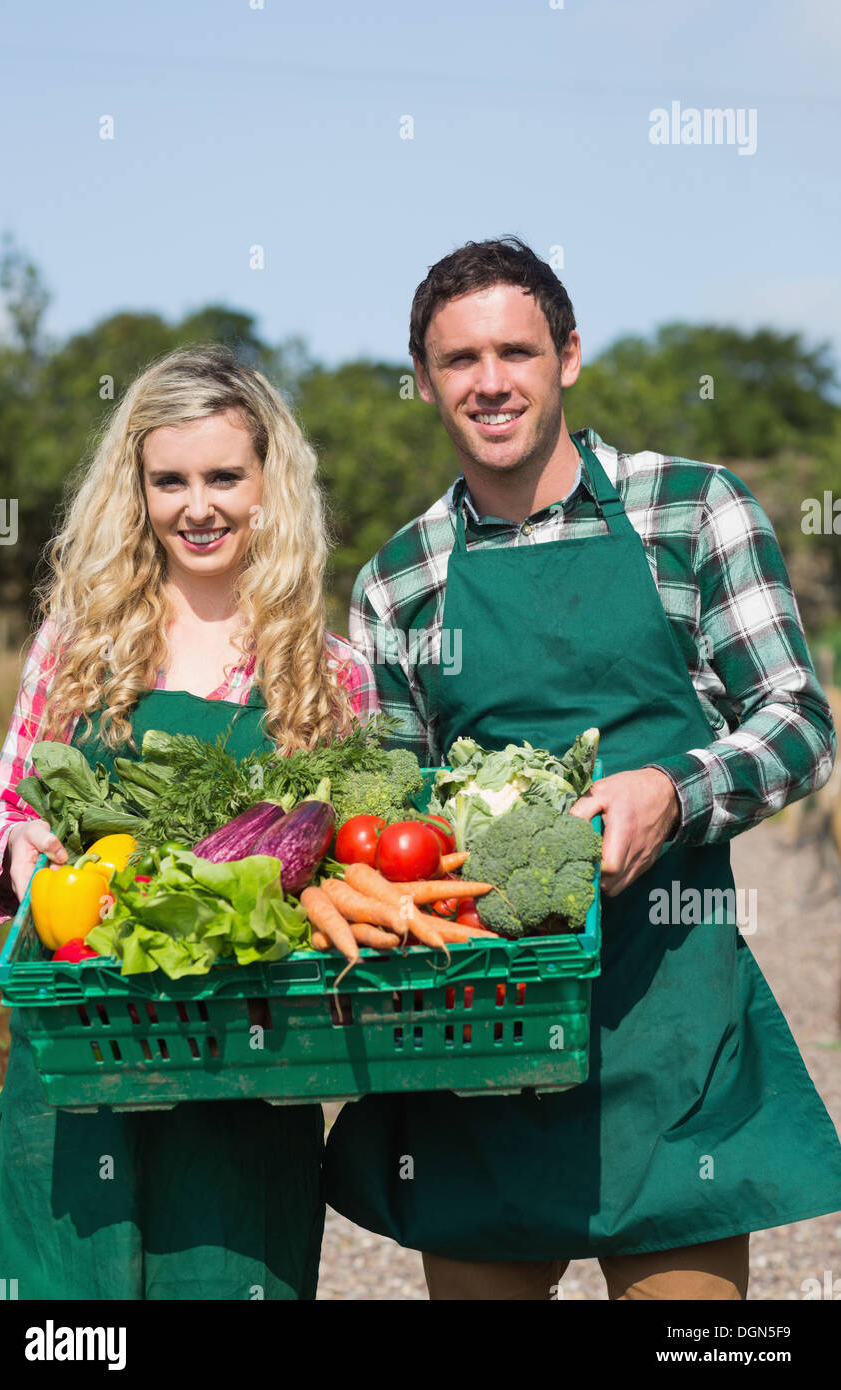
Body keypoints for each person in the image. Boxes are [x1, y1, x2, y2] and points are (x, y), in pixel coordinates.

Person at [323, 236, 841, 1301]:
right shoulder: (401, 580)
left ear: (567, 355)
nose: (489, 381)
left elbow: (798, 722)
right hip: (481, 1037)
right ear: (421, 383)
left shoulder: (689, 511)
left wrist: (675, 789)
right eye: (457, 360)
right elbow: (390, 819)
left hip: (669, 1019)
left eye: (514, 350)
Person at [0, 344, 378, 1300]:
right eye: (170, 481)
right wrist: (24, 852)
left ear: (270, 484)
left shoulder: (330, 676)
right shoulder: (80, 642)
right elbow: (4, 809)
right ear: (138, 490)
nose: (198, 506)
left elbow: (354, 869)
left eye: (224, 477)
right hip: (78, 1053)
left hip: (246, 1066)